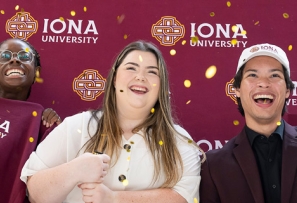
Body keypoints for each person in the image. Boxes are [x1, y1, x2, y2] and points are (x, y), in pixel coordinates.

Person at [21, 40, 202, 203]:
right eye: (131, 68)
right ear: (114, 79)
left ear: (161, 86)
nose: (140, 77)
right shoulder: (76, 127)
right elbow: (35, 192)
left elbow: (185, 198)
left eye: (152, 72)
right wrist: (75, 170)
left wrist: (113, 198)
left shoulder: (179, 141)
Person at [200, 43, 297, 203]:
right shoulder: (213, 167)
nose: (263, 83)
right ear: (237, 90)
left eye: (274, 75)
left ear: (288, 91)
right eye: (253, 75)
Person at [0, 38, 61, 203]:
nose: (14, 59)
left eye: (24, 56)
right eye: (4, 56)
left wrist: (55, 129)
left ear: (37, 72)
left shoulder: (42, 121)